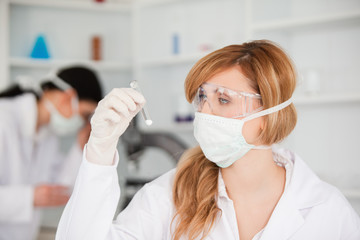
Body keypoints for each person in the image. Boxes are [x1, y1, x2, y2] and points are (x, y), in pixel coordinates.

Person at [56, 40, 360, 240]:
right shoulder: (169, 195)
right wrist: (99, 151)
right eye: (202, 97)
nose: (204, 112)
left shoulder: (326, 210)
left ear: (270, 114)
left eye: (224, 99)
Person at [0, 66, 103, 240]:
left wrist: (80, 147)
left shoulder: (48, 135)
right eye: (85, 115)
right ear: (68, 97)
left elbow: (60, 186)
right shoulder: (3, 120)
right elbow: (38, 195)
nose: (83, 122)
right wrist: (30, 197)